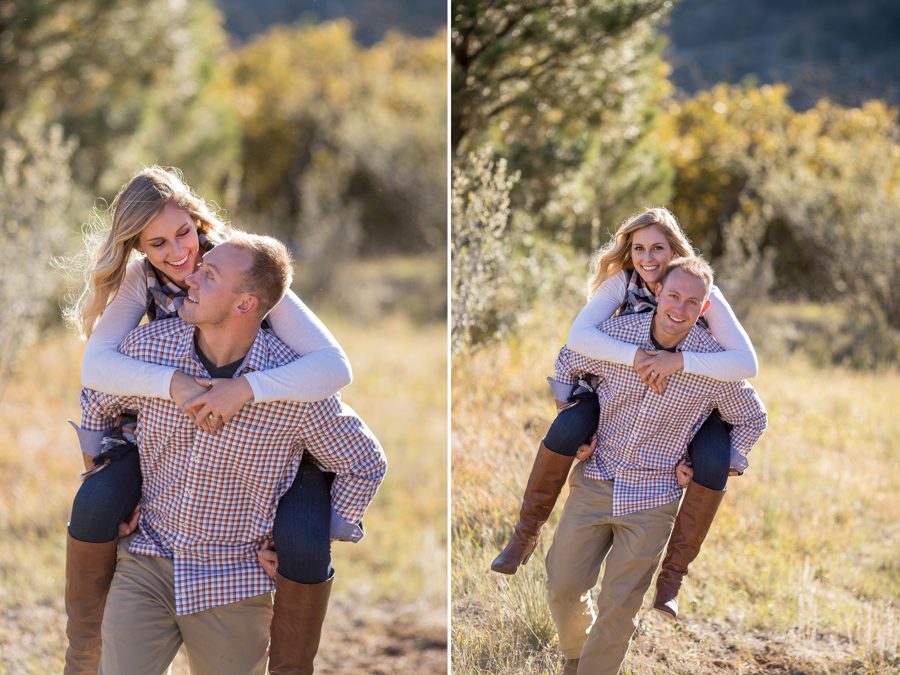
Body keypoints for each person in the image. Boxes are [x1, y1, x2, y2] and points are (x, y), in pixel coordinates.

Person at [62, 167, 355, 674]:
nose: (179, 254)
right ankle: (84, 661)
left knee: (302, 544)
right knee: (95, 504)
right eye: (158, 243)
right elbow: (97, 368)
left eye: (183, 233)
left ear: (197, 221)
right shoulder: (141, 280)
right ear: (138, 247)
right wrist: (173, 384)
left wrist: (246, 389)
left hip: (276, 434)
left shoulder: (241, 269)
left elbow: (334, 368)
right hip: (169, 426)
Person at [492, 207, 757, 618]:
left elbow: (746, 364)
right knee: (567, 428)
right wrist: (637, 357)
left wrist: (676, 363)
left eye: (658, 248)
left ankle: (672, 579)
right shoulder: (622, 283)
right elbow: (577, 339)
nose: (649, 258)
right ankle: (524, 535)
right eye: (639, 248)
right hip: (619, 387)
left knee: (712, 458)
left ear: (675, 252)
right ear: (629, 252)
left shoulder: (702, 292)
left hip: (693, 396)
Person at [544, 256, 767, 674]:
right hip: (596, 477)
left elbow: (752, 417)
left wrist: (718, 465)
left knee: (620, 606)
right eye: (674, 296)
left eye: (692, 302)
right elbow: (568, 362)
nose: (680, 309)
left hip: (655, 495)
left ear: (704, 309)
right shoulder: (617, 335)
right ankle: (576, 655)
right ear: (658, 293)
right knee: (561, 585)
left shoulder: (711, 361)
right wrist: (577, 422)